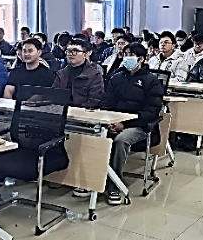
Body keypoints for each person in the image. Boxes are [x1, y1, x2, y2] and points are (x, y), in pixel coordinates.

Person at [100, 43, 164, 205]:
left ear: (141, 59)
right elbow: (106, 102)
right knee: (93, 135)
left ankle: (114, 184)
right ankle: (93, 180)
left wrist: (124, 124)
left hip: (140, 126)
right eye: (125, 54)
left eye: (131, 55)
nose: (127, 57)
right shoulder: (116, 77)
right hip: (114, 121)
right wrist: (109, 121)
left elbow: (151, 112)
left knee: (121, 140)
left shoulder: (151, 81)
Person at [52, 37, 105, 108]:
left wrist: (73, 110)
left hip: (82, 111)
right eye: (68, 51)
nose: (70, 54)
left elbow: (94, 100)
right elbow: (53, 95)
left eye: (75, 51)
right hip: (60, 110)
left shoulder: (94, 75)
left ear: (84, 54)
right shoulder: (61, 73)